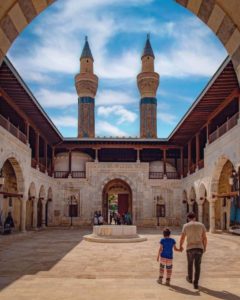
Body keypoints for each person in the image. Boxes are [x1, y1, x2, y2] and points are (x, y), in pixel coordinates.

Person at [179, 212, 207, 289]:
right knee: (197, 266)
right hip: (199, 247)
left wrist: (180, 246)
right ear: (195, 217)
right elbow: (204, 238)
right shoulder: (201, 225)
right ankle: (196, 283)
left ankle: (190, 278)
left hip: (190, 248)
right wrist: (204, 247)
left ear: (188, 218)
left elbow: (182, 237)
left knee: (190, 264)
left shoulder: (186, 226)